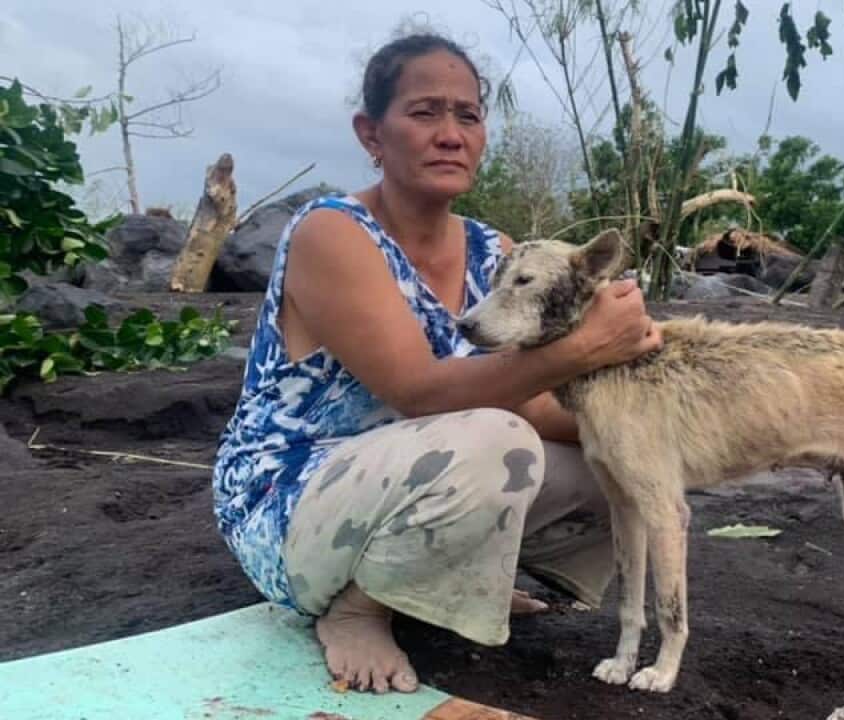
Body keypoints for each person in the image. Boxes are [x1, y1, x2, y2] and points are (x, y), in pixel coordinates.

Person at [212, 32, 662, 695]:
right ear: (372, 132)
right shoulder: (331, 233)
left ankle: (452, 575)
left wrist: (648, 419)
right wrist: (588, 346)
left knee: (620, 456)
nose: (450, 134)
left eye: (468, 115)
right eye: (425, 113)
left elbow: (536, 400)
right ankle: (360, 607)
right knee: (495, 438)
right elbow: (420, 390)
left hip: (418, 472)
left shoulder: (494, 252)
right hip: (291, 497)